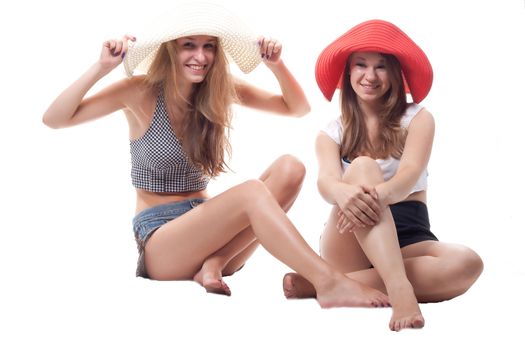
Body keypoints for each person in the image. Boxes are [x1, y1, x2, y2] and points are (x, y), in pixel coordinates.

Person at [42, 2, 390, 308]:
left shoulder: (220, 90)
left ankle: (215, 262)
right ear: (169, 49)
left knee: (290, 167)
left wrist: (277, 65)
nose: (201, 56)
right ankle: (327, 281)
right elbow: (54, 119)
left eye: (209, 46)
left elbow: (296, 108)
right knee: (253, 192)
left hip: (214, 231)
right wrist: (101, 68)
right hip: (161, 240)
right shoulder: (140, 91)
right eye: (189, 45)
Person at [282, 19, 483, 331]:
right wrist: (344, 193)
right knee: (362, 166)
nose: (370, 76)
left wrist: (378, 196)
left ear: (395, 73)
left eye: (381, 67)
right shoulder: (331, 132)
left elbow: (410, 173)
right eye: (361, 65)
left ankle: (323, 284)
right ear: (348, 73)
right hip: (349, 239)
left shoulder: (418, 118)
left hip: (410, 236)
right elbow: (325, 183)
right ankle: (399, 288)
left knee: (468, 262)